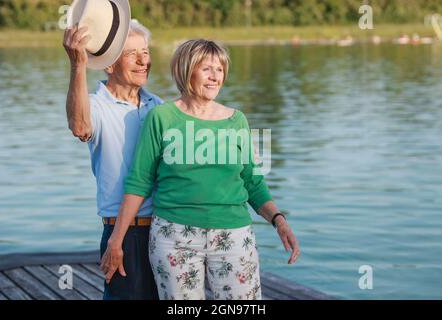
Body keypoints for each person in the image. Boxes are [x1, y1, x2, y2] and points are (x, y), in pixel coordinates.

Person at [100, 39, 300, 300]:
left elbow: (252, 182)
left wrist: (279, 220)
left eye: (219, 69)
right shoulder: (162, 117)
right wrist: (117, 239)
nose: (214, 76)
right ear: (186, 70)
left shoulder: (236, 121)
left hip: (234, 236)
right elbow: (140, 181)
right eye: (206, 68)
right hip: (174, 236)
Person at [63, 0, 162, 300]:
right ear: (110, 64)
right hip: (124, 234)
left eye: (145, 52)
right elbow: (80, 126)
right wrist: (78, 65)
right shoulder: (97, 106)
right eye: (133, 54)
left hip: (164, 229)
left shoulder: (158, 106)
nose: (143, 60)